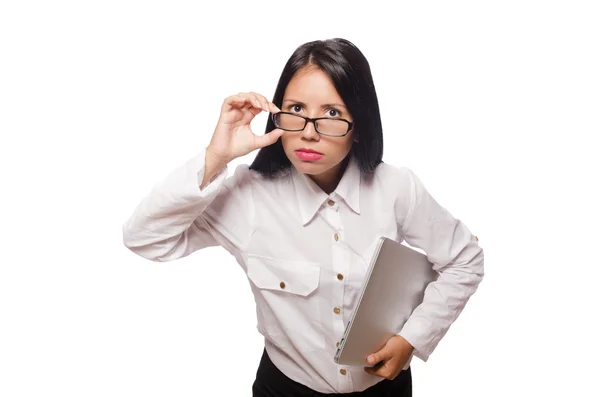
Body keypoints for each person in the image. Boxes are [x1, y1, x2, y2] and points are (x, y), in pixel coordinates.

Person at [122, 37, 484, 396]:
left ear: (359, 126)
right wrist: (217, 156)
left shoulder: (397, 188)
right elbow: (145, 238)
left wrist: (412, 339)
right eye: (295, 109)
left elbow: (464, 260)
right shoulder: (247, 195)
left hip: (383, 387)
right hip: (284, 388)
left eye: (332, 114)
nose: (309, 133)